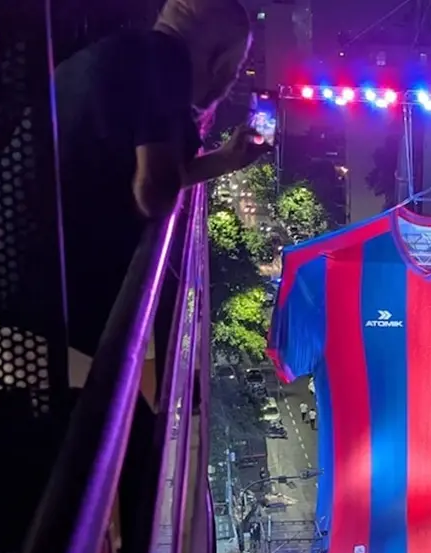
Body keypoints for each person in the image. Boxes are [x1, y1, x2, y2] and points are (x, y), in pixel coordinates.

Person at [53, 0, 269, 384]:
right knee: (120, 418)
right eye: (234, 70)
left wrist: (223, 161)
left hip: (30, 295)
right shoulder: (164, 64)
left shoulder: (126, 53)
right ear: (220, 61)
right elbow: (154, 192)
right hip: (49, 314)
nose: (228, 83)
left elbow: (132, 174)